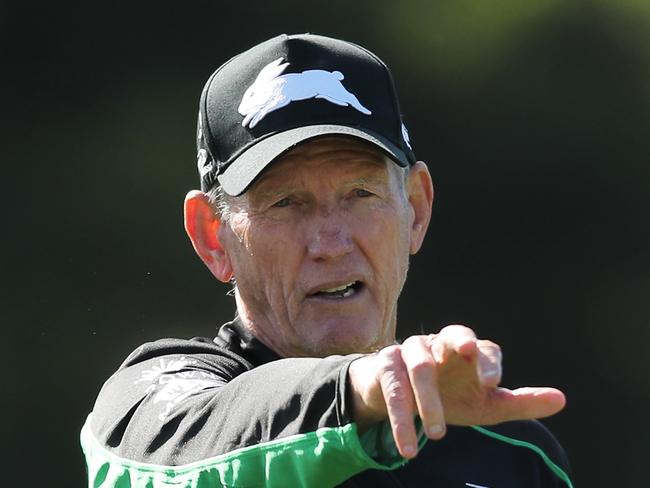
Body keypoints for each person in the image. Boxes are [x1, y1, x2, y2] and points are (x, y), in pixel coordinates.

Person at [80, 33, 573, 487]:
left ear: (416, 210)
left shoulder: (515, 459)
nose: (330, 242)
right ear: (213, 237)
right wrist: (362, 388)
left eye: (360, 193)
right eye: (286, 203)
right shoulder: (153, 410)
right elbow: (177, 456)